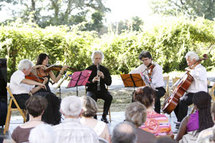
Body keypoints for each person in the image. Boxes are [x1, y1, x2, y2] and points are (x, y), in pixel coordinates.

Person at [174, 51, 208, 128]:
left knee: (183, 101)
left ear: (194, 60)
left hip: (199, 93)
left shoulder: (201, 69)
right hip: (191, 93)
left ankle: (181, 123)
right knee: (175, 101)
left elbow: (199, 77)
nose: (187, 63)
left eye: (188, 61)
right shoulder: (192, 69)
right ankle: (181, 121)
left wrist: (191, 71)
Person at [33, 53, 68, 125]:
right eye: (45, 60)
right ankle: (46, 121)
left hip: (47, 90)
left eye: (47, 60)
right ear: (41, 60)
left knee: (55, 99)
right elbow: (30, 69)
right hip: (37, 91)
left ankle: (54, 121)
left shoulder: (49, 70)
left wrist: (62, 71)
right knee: (48, 98)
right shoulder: (36, 69)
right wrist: (40, 66)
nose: (47, 61)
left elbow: (55, 80)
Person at [86, 51, 112, 123]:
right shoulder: (88, 69)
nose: (98, 60)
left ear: (101, 59)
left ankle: (104, 116)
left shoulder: (105, 69)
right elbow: (85, 83)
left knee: (109, 97)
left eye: (99, 58)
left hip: (102, 90)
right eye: (96, 58)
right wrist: (92, 81)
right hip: (91, 90)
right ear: (93, 59)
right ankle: (94, 117)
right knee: (91, 98)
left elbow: (109, 83)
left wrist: (103, 76)